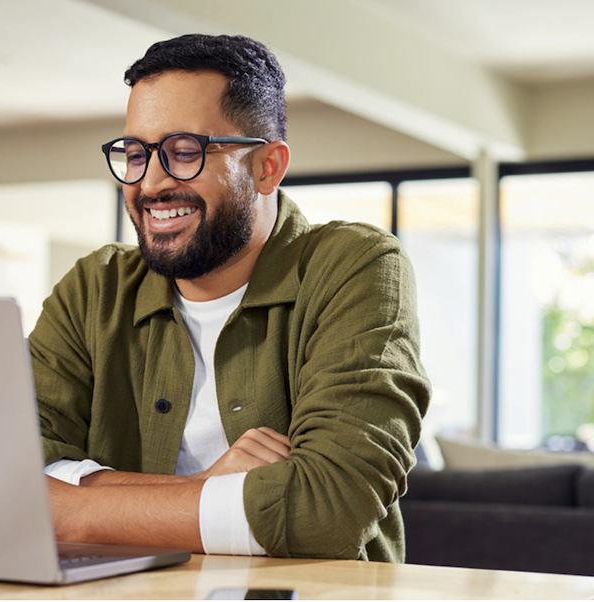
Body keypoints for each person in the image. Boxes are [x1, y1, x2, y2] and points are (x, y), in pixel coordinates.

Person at [29, 33, 431, 560]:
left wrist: (71, 510)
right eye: (134, 153)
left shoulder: (355, 267)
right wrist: (214, 490)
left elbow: (329, 509)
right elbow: (4, 475)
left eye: (184, 152)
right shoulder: (93, 288)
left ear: (267, 167)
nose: (149, 183)